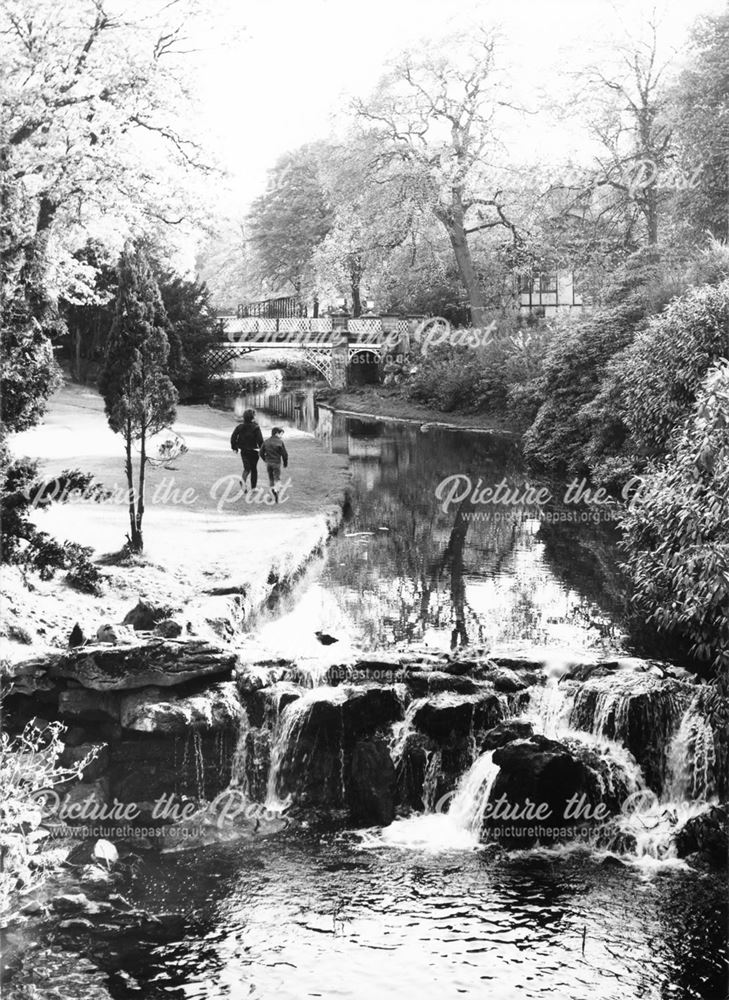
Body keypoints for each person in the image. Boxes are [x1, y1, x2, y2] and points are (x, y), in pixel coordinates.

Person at [230, 409, 264, 491]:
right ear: (253, 418)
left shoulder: (240, 427)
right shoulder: (256, 427)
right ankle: (253, 488)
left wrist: (234, 447)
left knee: (247, 468)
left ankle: (243, 482)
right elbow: (260, 440)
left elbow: (233, 437)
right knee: (254, 469)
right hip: (254, 451)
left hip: (244, 451)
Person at [260, 426, 288, 503]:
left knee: (271, 478)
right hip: (276, 462)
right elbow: (284, 454)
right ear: (276, 433)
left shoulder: (266, 441)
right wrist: (285, 462)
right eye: (280, 434)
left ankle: (271, 493)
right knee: (277, 478)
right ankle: (276, 491)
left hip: (268, 463)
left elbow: (261, 453)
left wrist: (265, 460)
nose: (281, 436)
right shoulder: (280, 442)